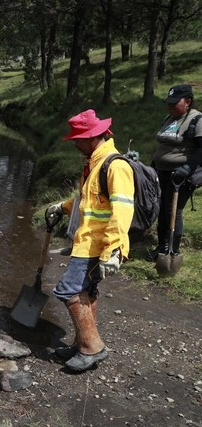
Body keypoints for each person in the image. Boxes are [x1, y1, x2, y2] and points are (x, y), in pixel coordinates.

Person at [45, 109, 134, 372]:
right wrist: (63, 206)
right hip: (88, 241)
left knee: (68, 290)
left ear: (94, 136)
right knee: (87, 291)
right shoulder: (93, 164)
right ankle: (80, 343)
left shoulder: (115, 166)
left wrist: (113, 250)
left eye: (78, 139)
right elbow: (89, 201)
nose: (74, 143)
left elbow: (122, 212)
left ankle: (93, 347)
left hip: (99, 245)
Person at [146, 85, 202, 261]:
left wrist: (187, 168)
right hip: (161, 172)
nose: (170, 106)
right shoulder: (170, 118)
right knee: (162, 209)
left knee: (173, 210)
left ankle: (173, 250)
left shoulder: (197, 120)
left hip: (181, 174)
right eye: (168, 103)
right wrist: (154, 164)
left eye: (174, 103)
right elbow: (164, 145)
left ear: (188, 101)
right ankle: (162, 247)